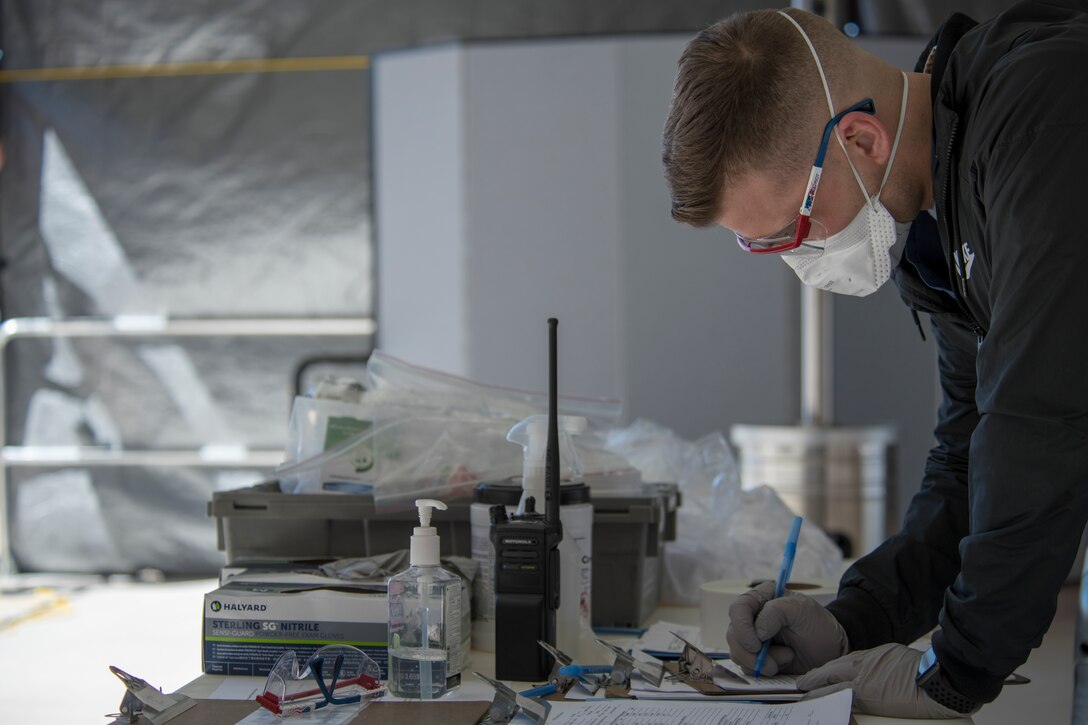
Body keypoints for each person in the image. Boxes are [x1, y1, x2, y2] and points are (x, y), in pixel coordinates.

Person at [662, 1, 1088, 719]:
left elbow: (1038, 422)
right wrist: (854, 617)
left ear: (858, 139)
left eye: (791, 231)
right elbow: (966, 459)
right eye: (762, 245)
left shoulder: (1044, 112)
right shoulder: (939, 223)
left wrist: (954, 667)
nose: (798, 260)